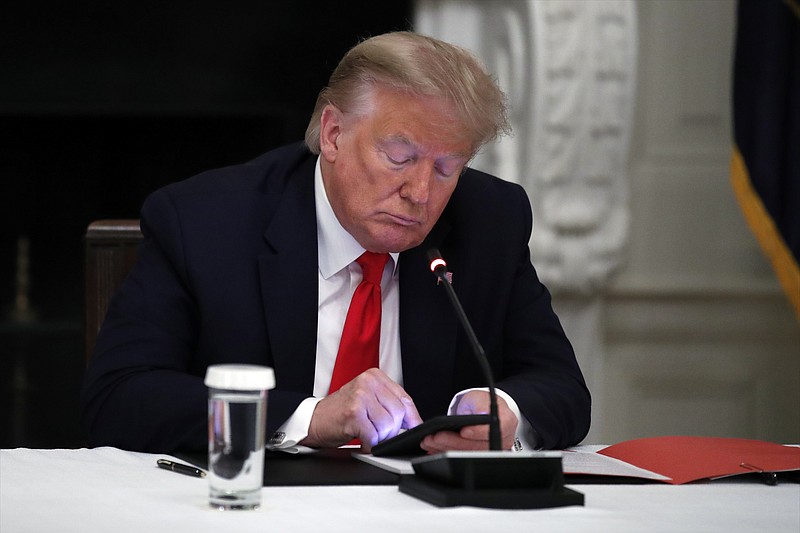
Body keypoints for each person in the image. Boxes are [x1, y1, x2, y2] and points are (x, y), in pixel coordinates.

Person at [81, 31, 591, 455]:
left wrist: (505, 413)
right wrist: (308, 417)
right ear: (332, 133)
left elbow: (561, 387)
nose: (420, 193)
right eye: (399, 156)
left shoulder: (489, 221)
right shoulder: (206, 222)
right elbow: (119, 397)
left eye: (445, 167)